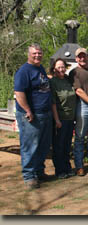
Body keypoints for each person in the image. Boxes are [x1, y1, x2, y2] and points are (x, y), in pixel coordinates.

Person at [14, 43, 53, 189]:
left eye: (39, 53)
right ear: (28, 54)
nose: (37, 55)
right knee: (29, 146)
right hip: (31, 115)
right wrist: (28, 111)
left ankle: (39, 172)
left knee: (43, 146)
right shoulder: (24, 71)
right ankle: (29, 176)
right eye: (34, 53)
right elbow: (19, 93)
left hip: (45, 114)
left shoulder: (40, 68)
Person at [69, 48, 88, 176]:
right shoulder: (74, 72)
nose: (82, 58)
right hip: (82, 105)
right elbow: (78, 91)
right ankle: (79, 166)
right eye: (79, 57)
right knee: (80, 137)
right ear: (76, 59)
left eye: (84, 56)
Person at [49, 58, 76, 179]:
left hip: (70, 118)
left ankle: (67, 167)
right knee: (58, 146)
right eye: (58, 67)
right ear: (53, 69)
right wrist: (57, 120)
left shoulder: (67, 80)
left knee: (67, 145)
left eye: (63, 67)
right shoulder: (53, 82)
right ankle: (60, 170)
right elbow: (53, 103)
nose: (61, 69)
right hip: (60, 119)